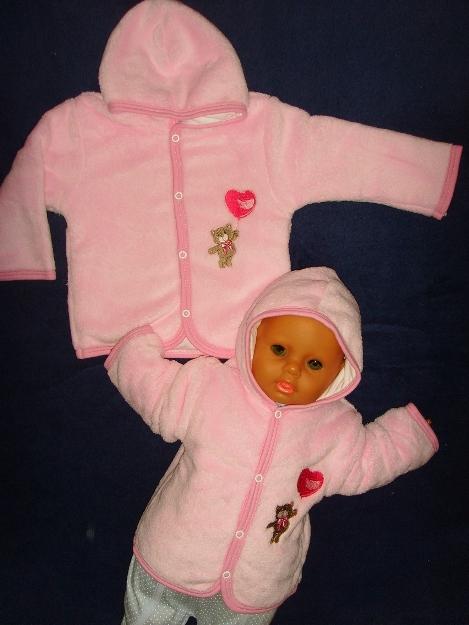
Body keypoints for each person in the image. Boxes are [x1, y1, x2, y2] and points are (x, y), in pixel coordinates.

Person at [105, 267, 438, 625]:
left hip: (254, 588)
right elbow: (159, 392)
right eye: (279, 349)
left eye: (314, 363)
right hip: (171, 561)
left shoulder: (337, 430)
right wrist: (132, 351)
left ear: (340, 370)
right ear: (255, 337)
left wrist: (410, 434)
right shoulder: (211, 387)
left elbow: (369, 460)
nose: (292, 370)